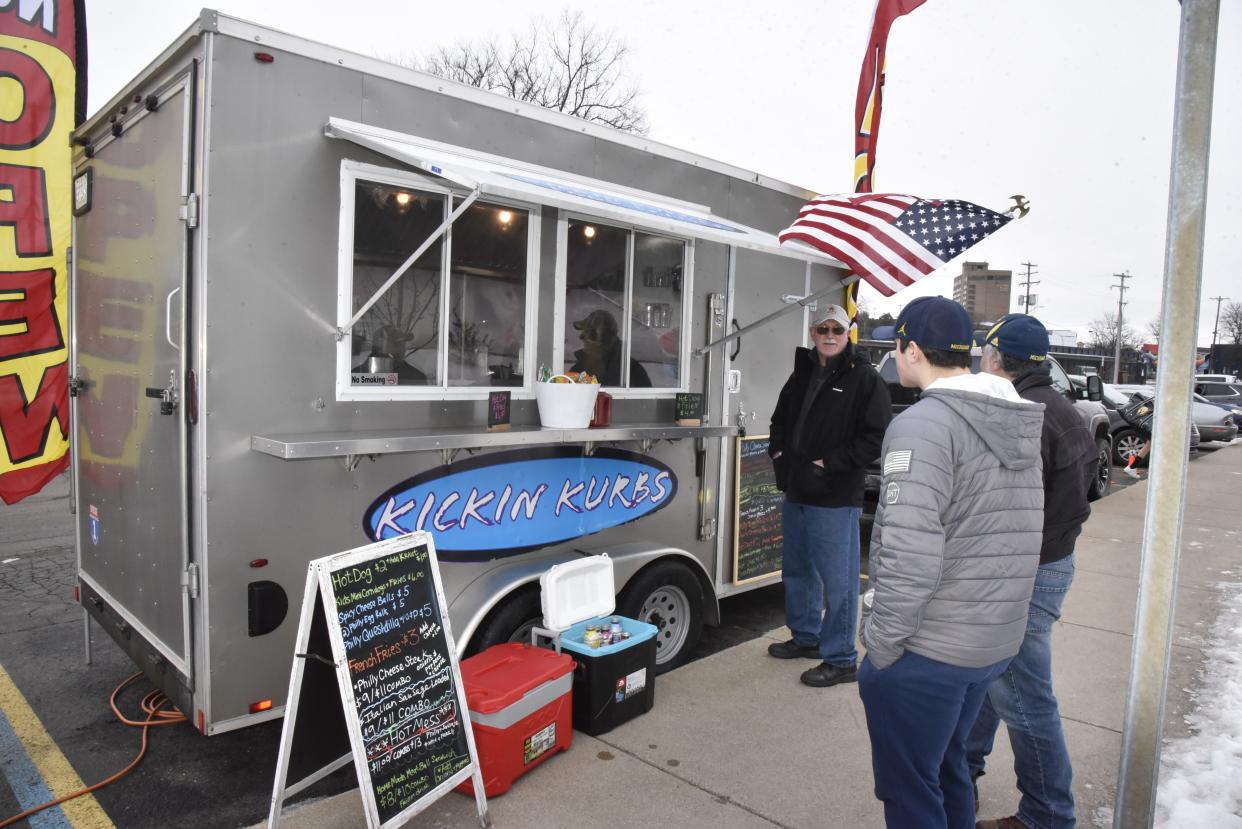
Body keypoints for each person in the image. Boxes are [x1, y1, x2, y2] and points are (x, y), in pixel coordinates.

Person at [860, 296, 1044, 829]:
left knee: (912, 789)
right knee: (946, 770)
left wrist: (883, 645)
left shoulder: (925, 425)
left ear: (911, 349)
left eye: (897, 346)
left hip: (932, 648)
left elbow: (906, 553)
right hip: (989, 642)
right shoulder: (1011, 418)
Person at [970, 314, 1096, 829]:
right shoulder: (1061, 409)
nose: (980, 360)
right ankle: (959, 770)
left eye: (985, 353)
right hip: (1048, 562)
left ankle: (1047, 815)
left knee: (1023, 697)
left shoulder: (1020, 414)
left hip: (1025, 572)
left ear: (997, 359)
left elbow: (1001, 506)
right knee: (989, 678)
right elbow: (1080, 499)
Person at [767, 303, 891, 688]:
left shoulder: (865, 378)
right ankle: (806, 637)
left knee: (840, 582)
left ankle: (840, 658)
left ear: (849, 331)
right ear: (812, 333)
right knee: (798, 571)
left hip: (835, 496)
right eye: (823, 329)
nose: (831, 335)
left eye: (838, 328)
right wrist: (780, 455)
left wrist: (830, 463)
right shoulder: (802, 372)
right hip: (798, 491)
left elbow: (875, 437)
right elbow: (780, 420)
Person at [569, 309, 651, 387]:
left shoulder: (632, 370)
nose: (582, 338)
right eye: (584, 336)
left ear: (605, 342)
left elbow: (646, 400)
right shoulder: (579, 368)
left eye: (588, 336)